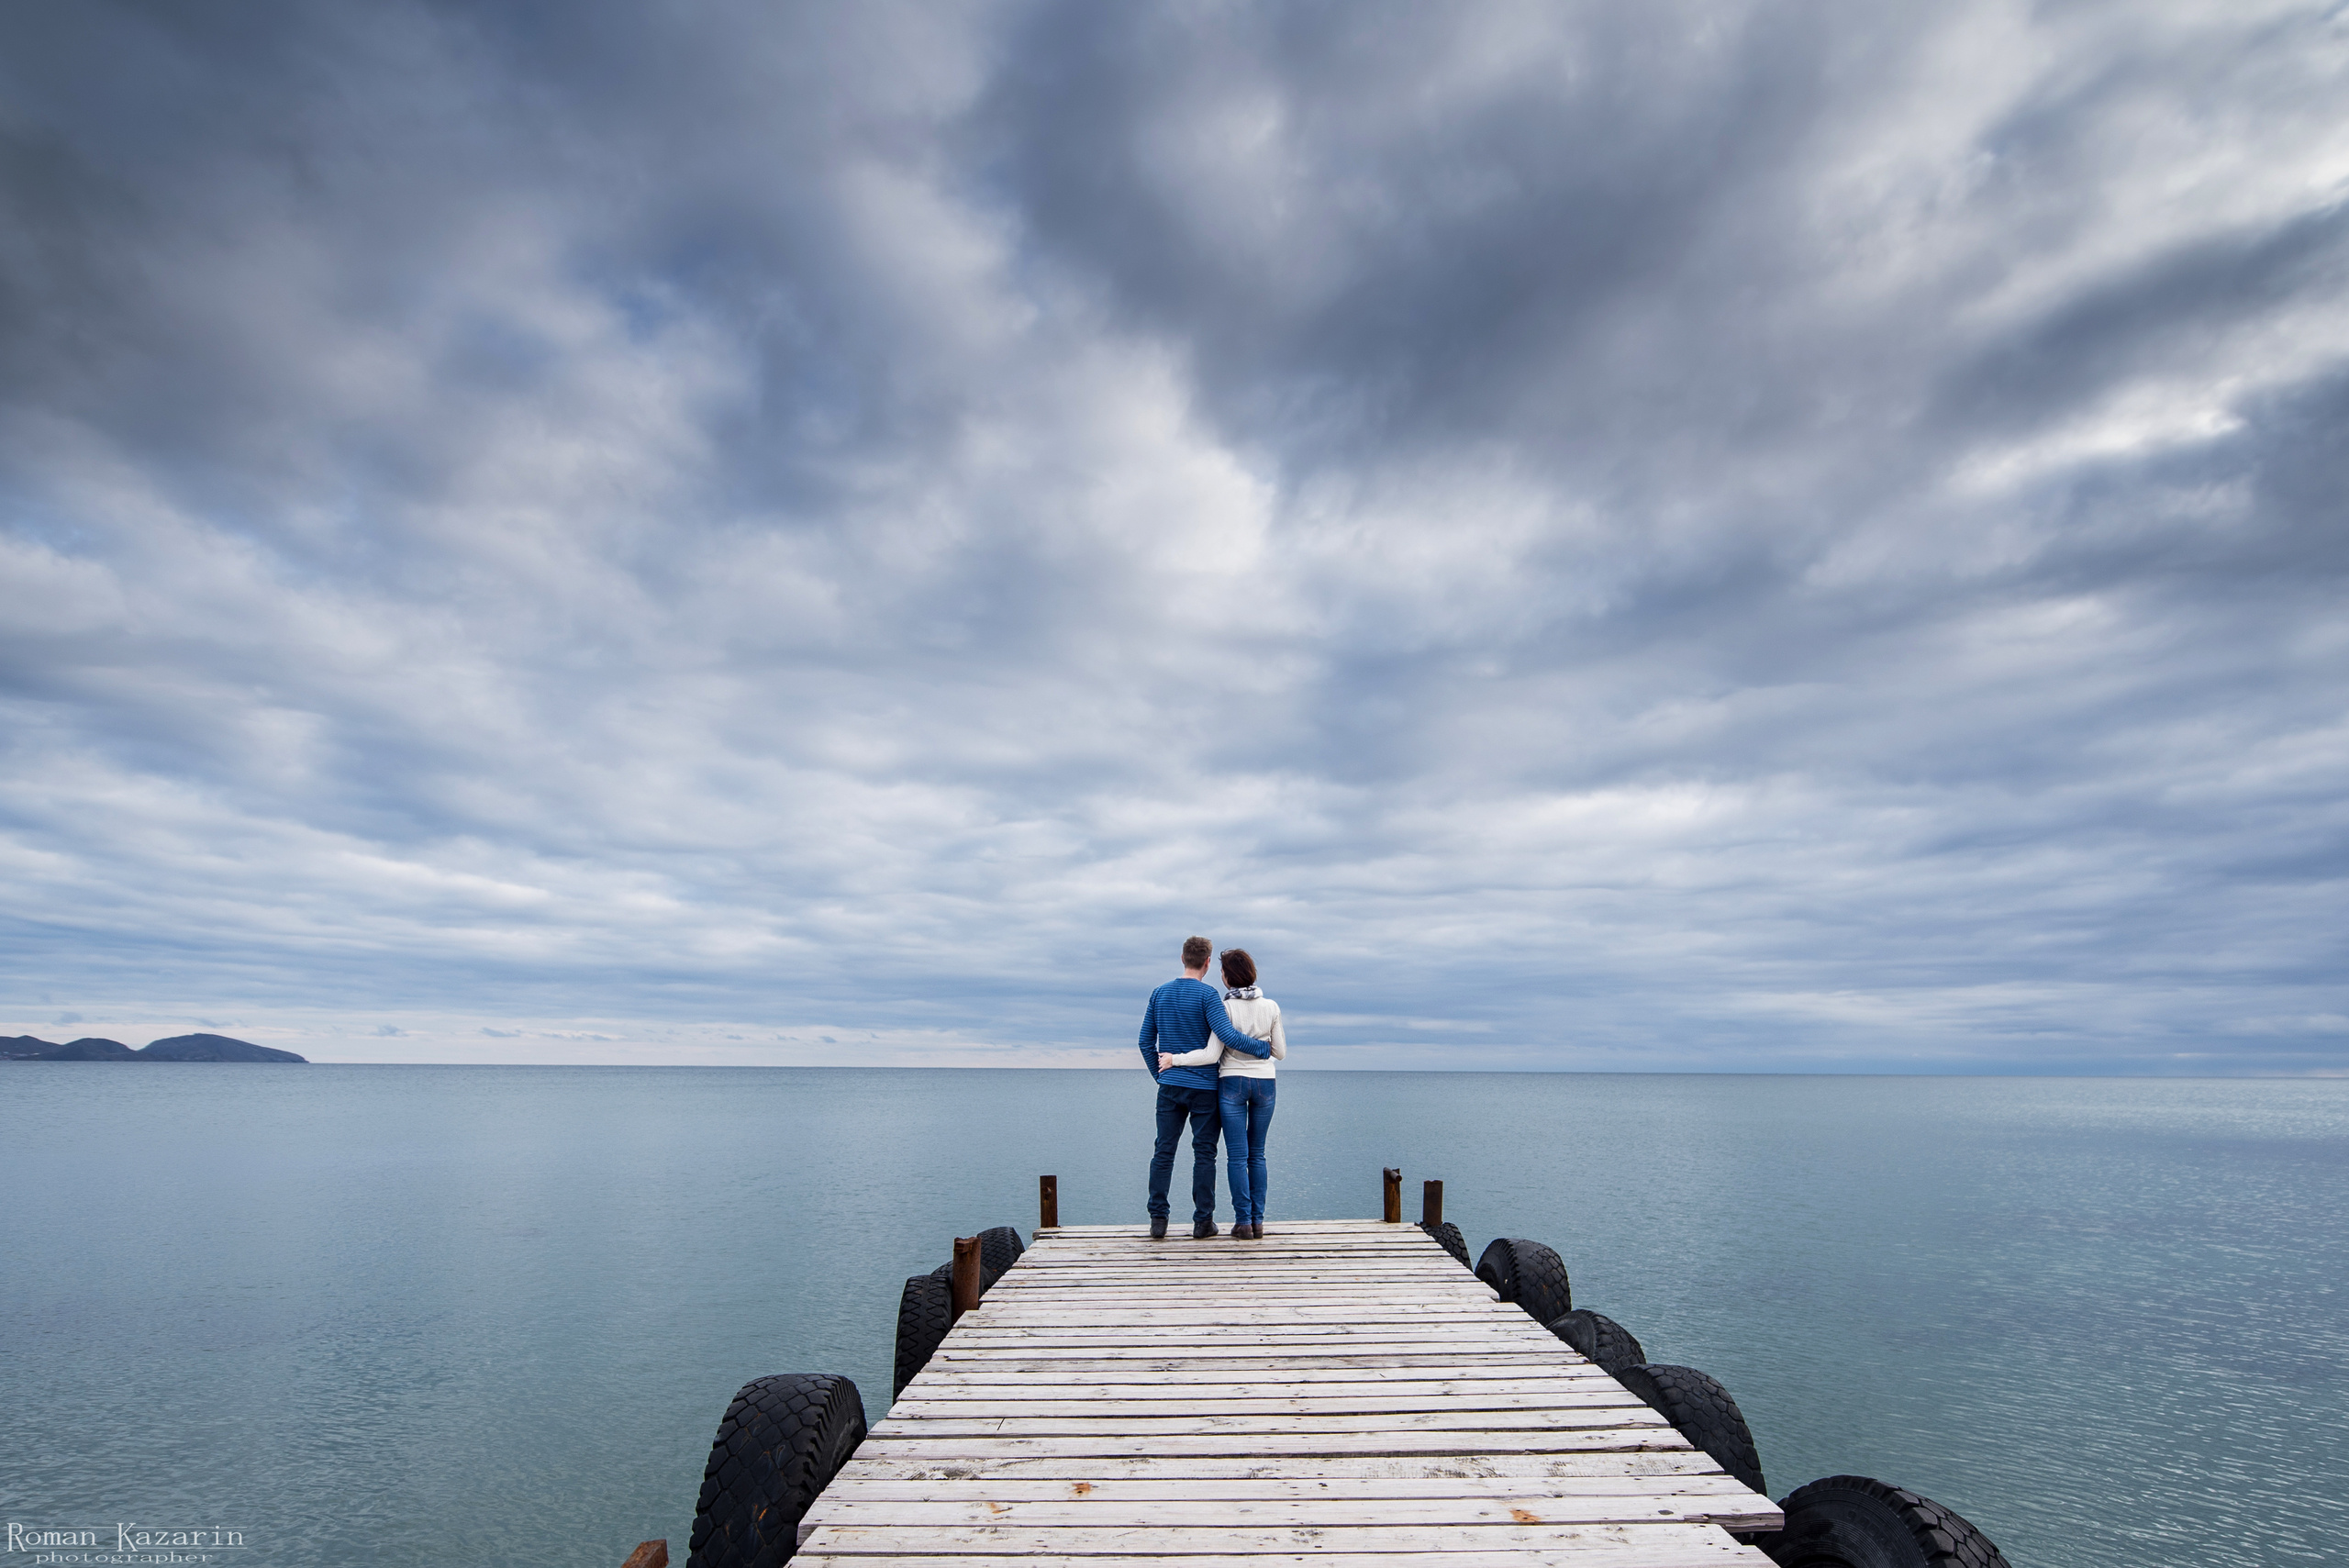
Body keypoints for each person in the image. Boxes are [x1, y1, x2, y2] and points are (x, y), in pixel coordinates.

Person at [1138, 936, 1275, 1239]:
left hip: (1170, 1086)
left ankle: (1158, 1220)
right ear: (1208, 963)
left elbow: (1145, 1041)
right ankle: (1203, 1222)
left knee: (1163, 1152)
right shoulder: (1208, 995)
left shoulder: (1159, 993)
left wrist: (1160, 1076)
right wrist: (1263, 1049)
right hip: (1205, 1088)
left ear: (1182, 958)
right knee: (1204, 1155)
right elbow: (1229, 1036)